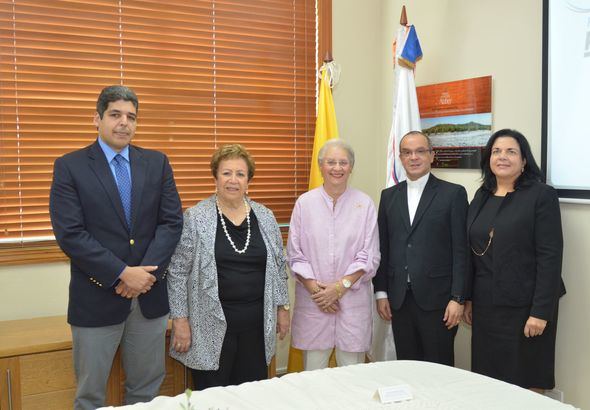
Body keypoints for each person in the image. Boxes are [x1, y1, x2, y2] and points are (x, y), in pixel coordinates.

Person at [49, 85, 183, 410]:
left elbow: (171, 222)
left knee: (145, 393)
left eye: (131, 117)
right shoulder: (71, 166)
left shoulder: (156, 163)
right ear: (97, 119)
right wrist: (122, 272)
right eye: (115, 115)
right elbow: (71, 234)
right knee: (90, 395)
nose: (124, 123)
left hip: (148, 299)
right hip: (96, 299)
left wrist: (144, 275)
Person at [167, 144, 290, 389]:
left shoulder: (265, 216)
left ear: (248, 181)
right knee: (212, 398)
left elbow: (278, 267)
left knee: (250, 395)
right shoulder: (195, 217)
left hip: (256, 326)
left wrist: (282, 308)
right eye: (226, 173)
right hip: (209, 326)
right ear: (215, 177)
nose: (233, 180)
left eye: (240, 174)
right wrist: (180, 320)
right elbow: (177, 272)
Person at [463, 129, 565, 392]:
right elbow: (473, 250)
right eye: (496, 151)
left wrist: (540, 312)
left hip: (526, 307)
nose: (502, 157)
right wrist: (469, 298)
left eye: (511, 151)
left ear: (524, 161)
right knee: (489, 379)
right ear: (488, 159)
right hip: (486, 307)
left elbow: (550, 257)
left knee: (527, 376)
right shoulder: (481, 195)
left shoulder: (541, 196)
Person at [373, 131, 469, 366]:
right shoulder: (388, 197)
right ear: (400, 158)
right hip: (399, 300)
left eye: (420, 151)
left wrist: (458, 298)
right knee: (407, 366)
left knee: (438, 368)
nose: (413, 157)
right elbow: (382, 247)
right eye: (407, 152)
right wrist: (381, 292)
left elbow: (461, 251)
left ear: (431, 156)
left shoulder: (453, 194)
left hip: (439, 301)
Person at [287, 139, 380, 370]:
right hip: (314, 303)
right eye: (331, 162)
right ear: (321, 166)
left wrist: (339, 289)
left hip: (352, 303)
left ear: (351, 167)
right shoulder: (304, 204)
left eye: (343, 162)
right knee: (314, 375)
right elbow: (295, 254)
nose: (337, 168)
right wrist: (319, 293)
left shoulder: (364, 204)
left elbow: (369, 254)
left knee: (352, 373)